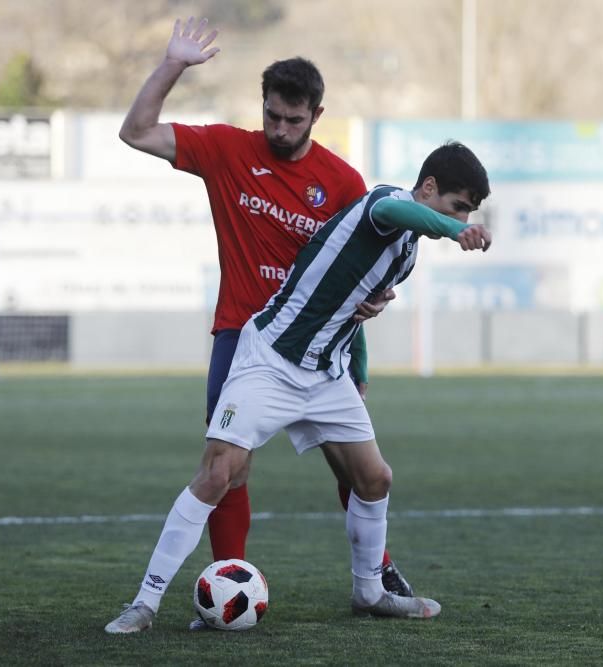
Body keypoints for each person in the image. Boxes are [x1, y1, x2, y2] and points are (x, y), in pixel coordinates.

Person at [104, 140, 492, 633]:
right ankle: (145, 603)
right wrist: (459, 229)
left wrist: (361, 369)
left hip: (326, 373)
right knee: (219, 471)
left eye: (465, 213)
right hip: (271, 358)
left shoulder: (407, 251)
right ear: (430, 188)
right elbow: (401, 210)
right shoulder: (385, 205)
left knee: (375, 479)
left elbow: (357, 307)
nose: (457, 216)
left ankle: (369, 590)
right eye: (456, 205)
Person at [116, 15, 412, 629]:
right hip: (242, 338)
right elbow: (137, 131)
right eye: (272, 116)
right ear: (264, 107)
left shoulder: (342, 182)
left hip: (319, 352)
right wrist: (173, 63)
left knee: (359, 470)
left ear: (317, 116)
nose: (279, 129)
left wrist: (364, 341)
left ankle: (377, 574)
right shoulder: (228, 150)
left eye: (293, 120)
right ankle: (226, 584)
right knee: (227, 467)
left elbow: (366, 280)